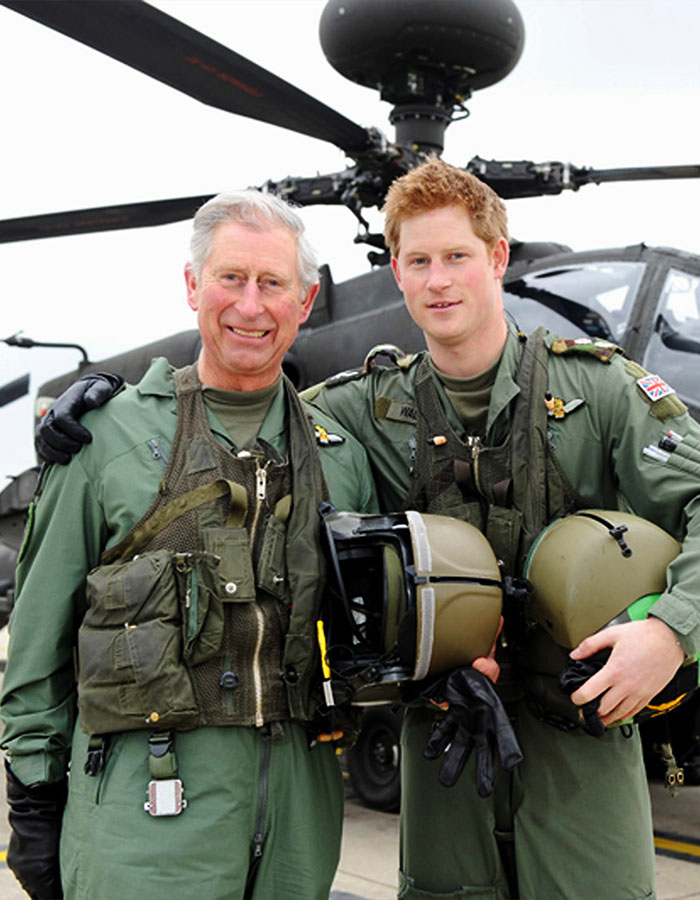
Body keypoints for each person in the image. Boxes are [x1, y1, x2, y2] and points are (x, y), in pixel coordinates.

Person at [32, 159, 700, 900]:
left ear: (499, 257)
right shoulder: (359, 411)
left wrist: (667, 631)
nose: (439, 280)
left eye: (457, 257)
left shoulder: (601, 390)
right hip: (443, 746)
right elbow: (240, 408)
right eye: (418, 261)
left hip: (585, 739)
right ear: (398, 275)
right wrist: (101, 404)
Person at [0, 189, 378, 900]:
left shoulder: (342, 452)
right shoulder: (104, 440)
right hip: (145, 812)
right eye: (231, 278)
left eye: (273, 284)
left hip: (300, 810)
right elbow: (38, 639)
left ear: (306, 301)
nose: (250, 305)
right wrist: (33, 801)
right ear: (191, 285)